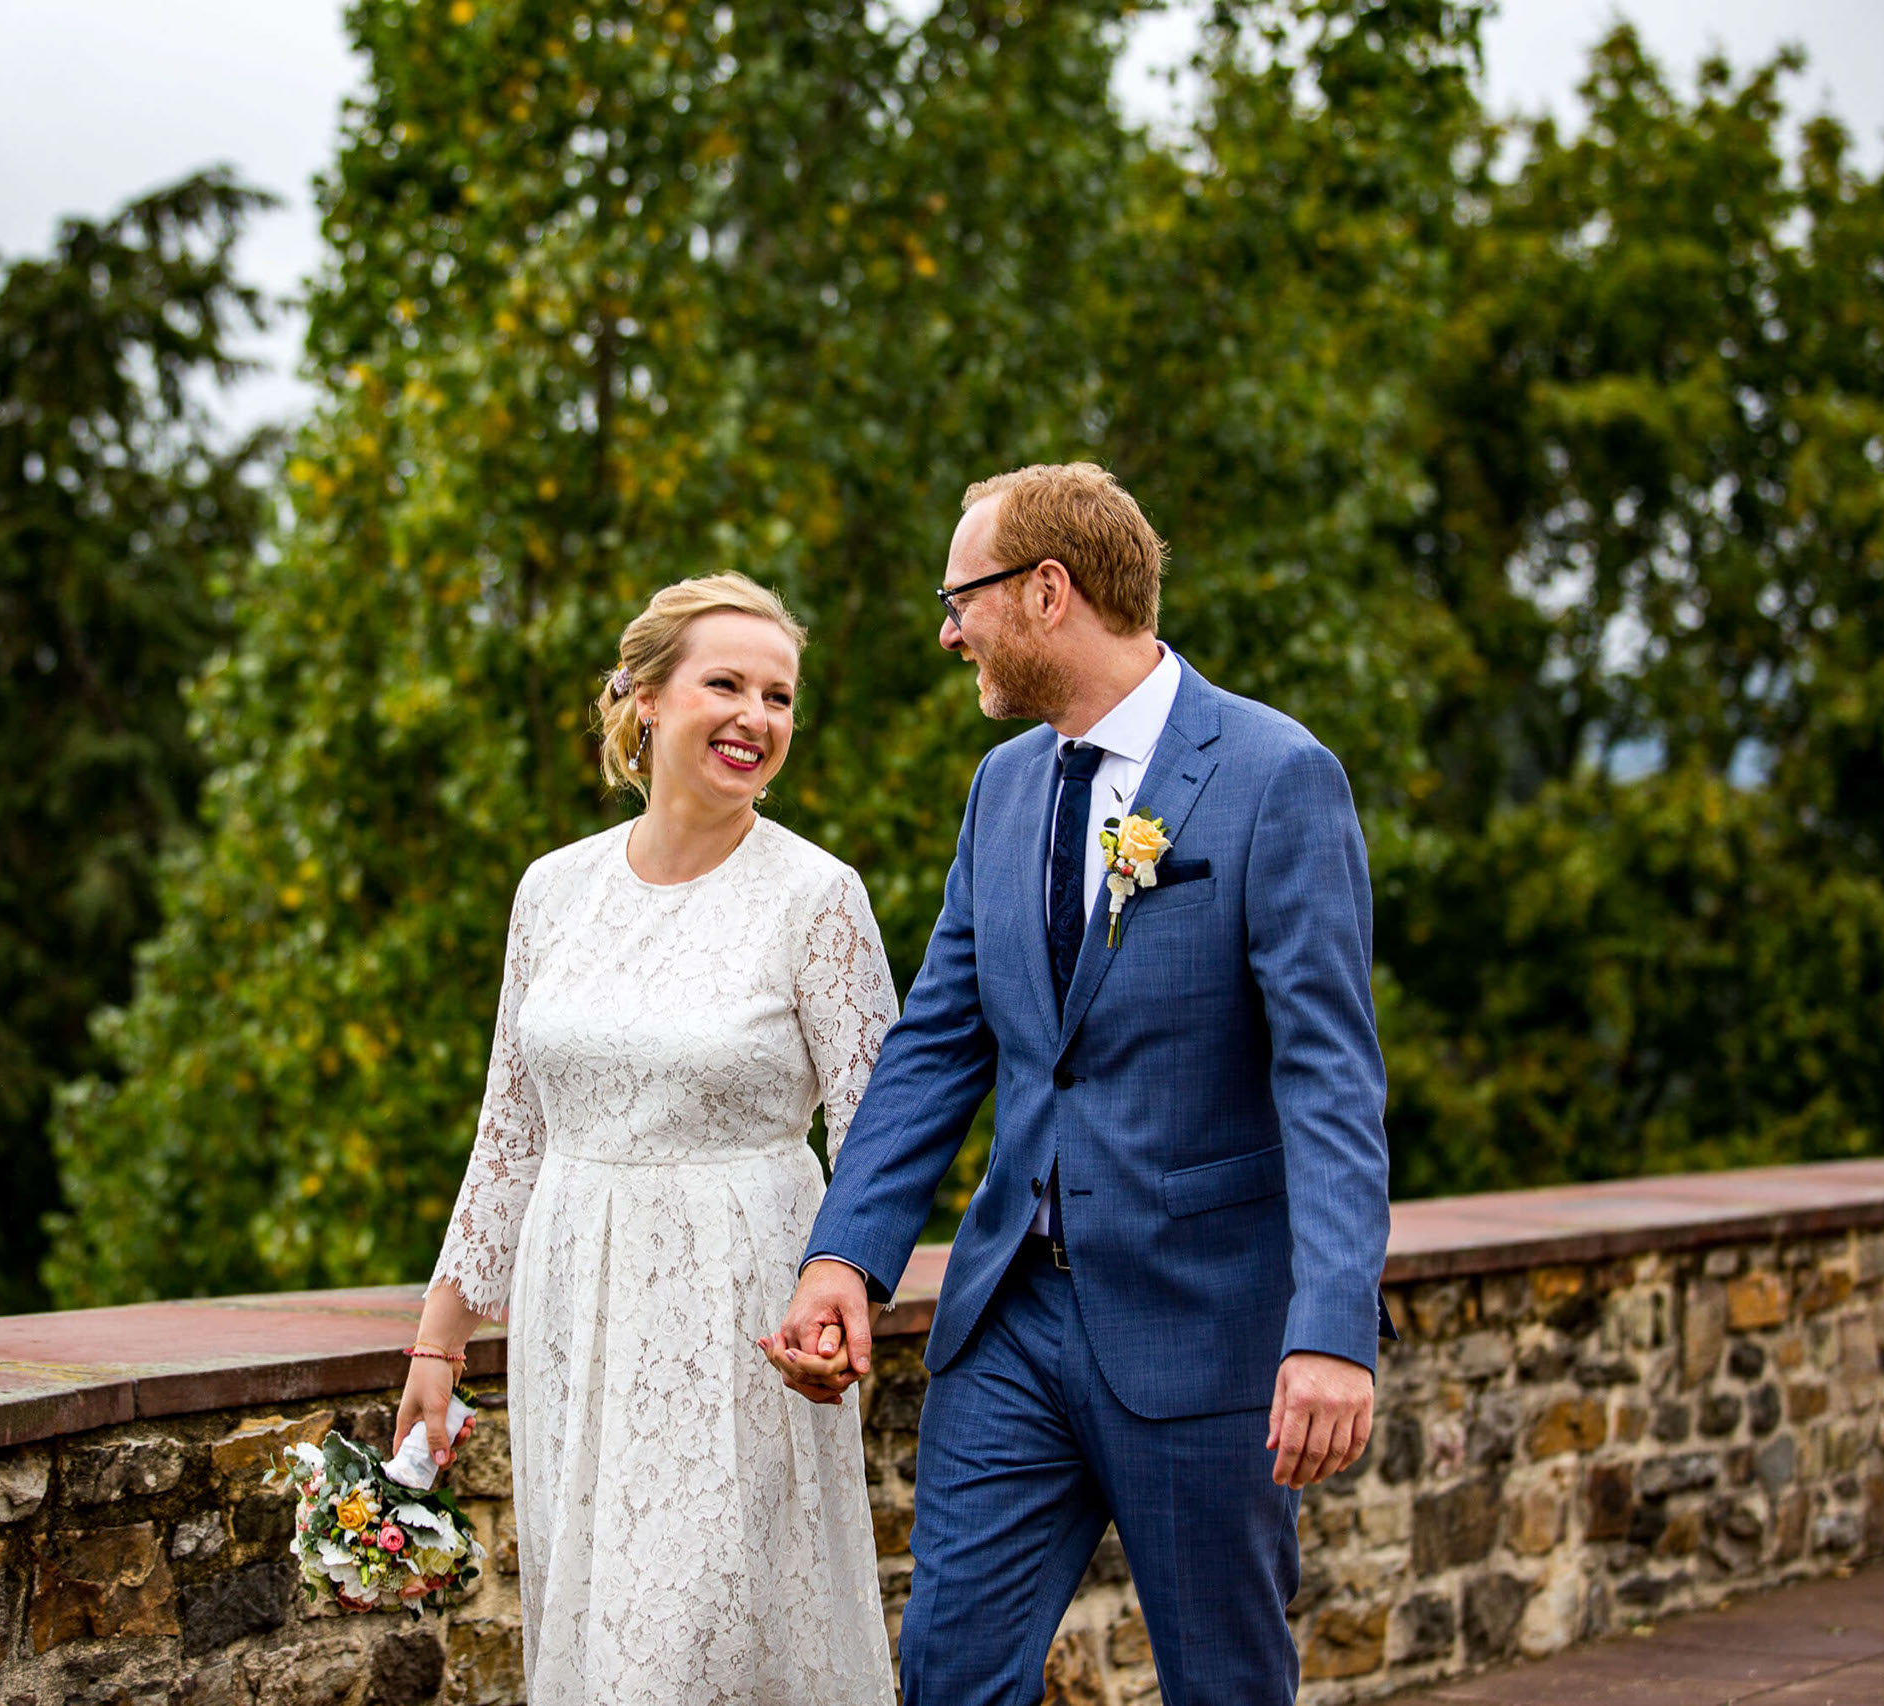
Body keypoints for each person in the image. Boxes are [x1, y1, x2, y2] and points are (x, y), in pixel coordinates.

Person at [764, 464, 1393, 1706]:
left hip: (1204, 1327)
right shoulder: (1001, 788)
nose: (949, 632)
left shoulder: (1276, 773)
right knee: (948, 1676)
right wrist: (845, 1254)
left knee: (1224, 1683)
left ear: (1047, 590)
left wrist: (1331, 1325)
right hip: (1008, 1322)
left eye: (962, 598)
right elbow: (940, 1042)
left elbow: (1328, 1076)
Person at [399, 572, 900, 1706]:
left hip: (741, 1313)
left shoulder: (817, 897)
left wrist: (845, 1294)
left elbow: (881, 1130)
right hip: (573, 1311)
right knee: (596, 1630)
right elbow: (511, 1128)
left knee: (693, 1643)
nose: (756, 716)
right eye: (726, 684)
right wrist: (439, 1345)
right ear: (645, 697)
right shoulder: (552, 891)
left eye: (779, 696)